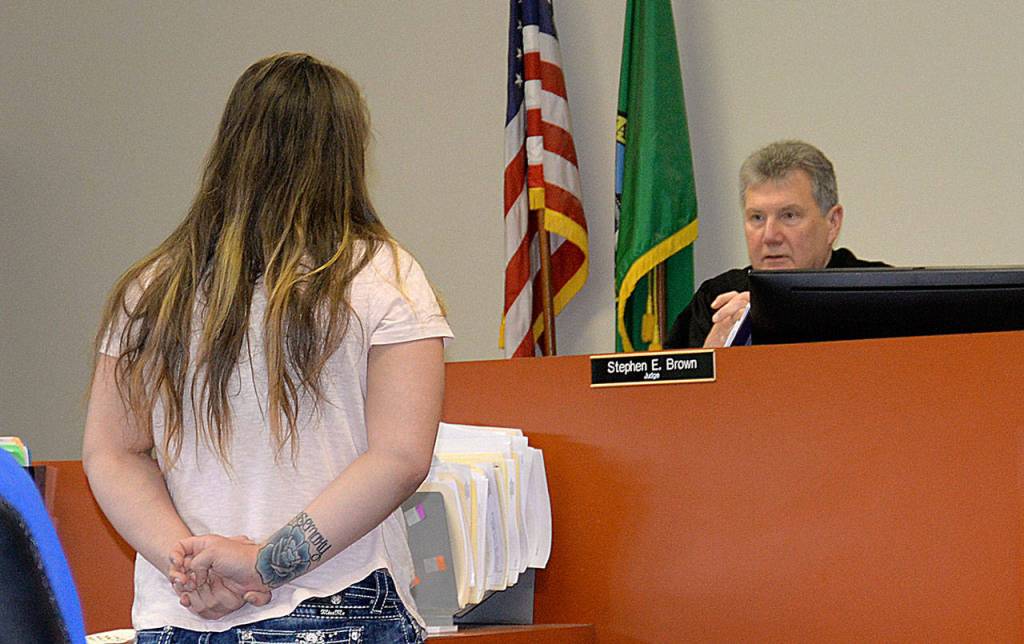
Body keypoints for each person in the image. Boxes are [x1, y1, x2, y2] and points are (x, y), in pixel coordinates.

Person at [82, 52, 451, 643]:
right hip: (339, 603)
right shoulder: (388, 278)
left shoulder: (152, 289)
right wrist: (259, 565)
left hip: (183, 616)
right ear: (345, 154)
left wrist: (188, 569)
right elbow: (399, 457)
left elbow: (112, 454)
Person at [665, 140, 887, 349]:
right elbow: (668, 389)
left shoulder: (881, 296)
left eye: (789, 215)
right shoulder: (717, 303)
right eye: (757, 218)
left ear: (832, 223)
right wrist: (711, 359)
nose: (770, 236)